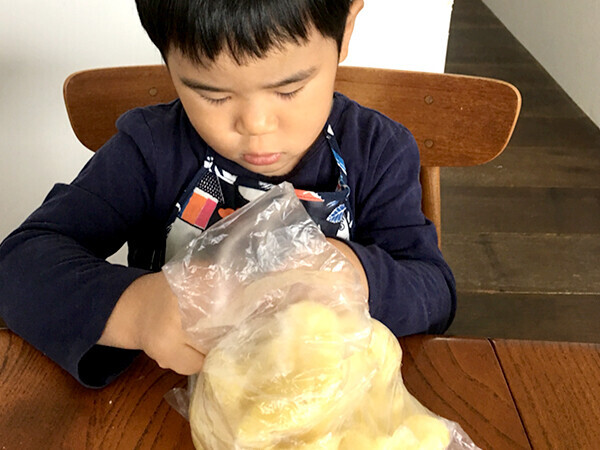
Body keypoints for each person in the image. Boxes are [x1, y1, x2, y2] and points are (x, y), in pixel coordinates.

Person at [0, 0, 455, 388]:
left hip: (331, 400)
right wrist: (139, 311)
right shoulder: (151, 150)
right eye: (214, 96)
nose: (256, 125)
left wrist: (356, 276)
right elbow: (17, 264)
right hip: (169, 399)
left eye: (290, 89)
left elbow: (435, 291)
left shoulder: (377, 151)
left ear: (347, 26)